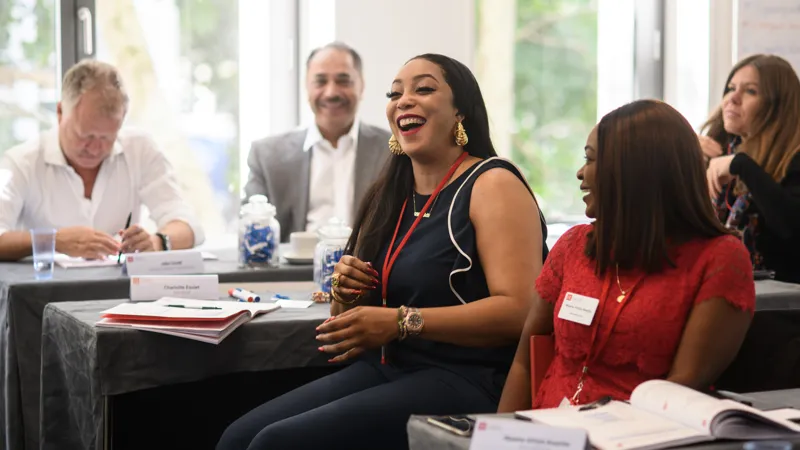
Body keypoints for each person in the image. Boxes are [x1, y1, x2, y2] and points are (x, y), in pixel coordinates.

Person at [217, 54, 548, 450]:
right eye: (394, 94)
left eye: (423, 89)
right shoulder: (389, 194)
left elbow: (521, 310)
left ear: (461, 110)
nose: (403, 101)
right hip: (391, 367)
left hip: (467, 377)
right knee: (237, 437)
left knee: (275, 443)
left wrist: (401, 321)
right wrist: (346, 292)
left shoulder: (492, 182)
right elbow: (349, 327)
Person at [498, 100, 755, 412]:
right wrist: (499, 436)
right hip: (547, 431)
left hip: (638, 434)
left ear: (635, 171)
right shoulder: (574, 245)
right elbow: (525, 361)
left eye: (590, 160)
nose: (580, 173)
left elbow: (683, 386)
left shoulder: (719, 259)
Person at [0, 60, 203, 261]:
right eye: (85, 136)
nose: (95, 149)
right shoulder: (21, 163)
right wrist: (54, 240)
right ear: (60, 113)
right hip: (43, 293)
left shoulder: (140, 150)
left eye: (107, 137)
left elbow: (188, 224)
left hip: (121, 291)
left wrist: (157, 242)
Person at [243, 42, 391, 241]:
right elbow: (250, 229)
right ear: (307, 87)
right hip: (293, 270)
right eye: (320, 81)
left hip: (369, 269)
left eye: (343, 81)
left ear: (361, 86)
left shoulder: (393, 150)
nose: (331, 92)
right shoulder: (267, 156)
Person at [701, 54, 800, 283]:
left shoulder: (793, 158)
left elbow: (792, 229)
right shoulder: (718, 148)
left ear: (778, 106)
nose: (732, 98)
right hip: (721, 286)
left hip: (782, 305)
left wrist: (742, 165)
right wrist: (683, 159)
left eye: (750, 91)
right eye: (731, 88)